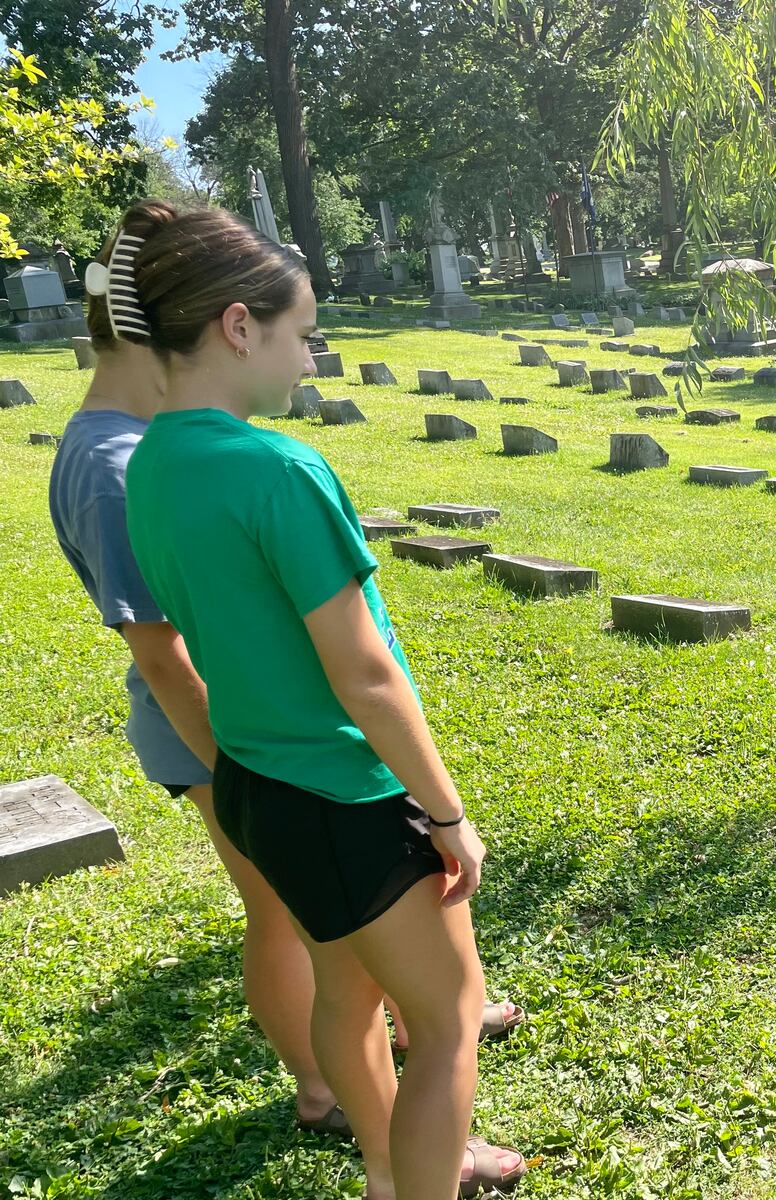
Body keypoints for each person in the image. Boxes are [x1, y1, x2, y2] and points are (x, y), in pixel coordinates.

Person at [80, 200, 522, 1200]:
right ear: (240, 325)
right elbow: (364, 674)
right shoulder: (280, 467)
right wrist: (449, 815)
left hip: (256, 784)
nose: (312, 358)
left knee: (345, 986)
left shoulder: (147, 462)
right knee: (450, 1024)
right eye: (304, 333)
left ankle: (379, 1171)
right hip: (349, 795)